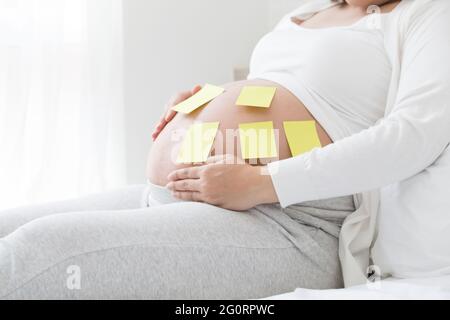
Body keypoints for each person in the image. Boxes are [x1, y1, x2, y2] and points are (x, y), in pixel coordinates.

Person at [1, 0, 449, 299]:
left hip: (291, 223)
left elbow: (413, 136)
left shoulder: (426, 12)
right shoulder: (306, 12)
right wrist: (201, 105)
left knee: (39, 252)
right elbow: (279, 94)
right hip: (180, 194)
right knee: (7, 227)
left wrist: (263, 181)